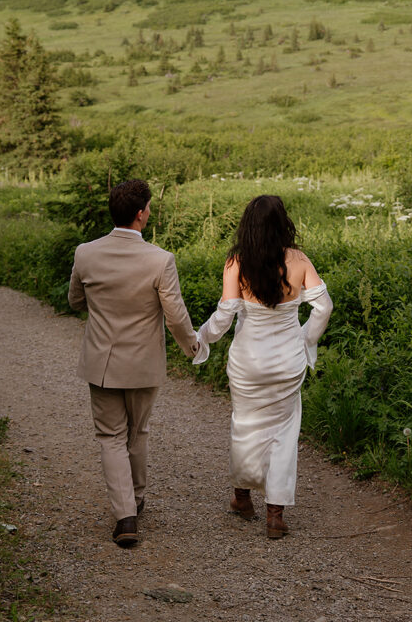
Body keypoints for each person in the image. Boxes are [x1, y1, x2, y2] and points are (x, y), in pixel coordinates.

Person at [68, 178, 199, 547]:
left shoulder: (86, 253)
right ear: (141, 214)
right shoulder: (160, 260)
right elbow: (175, 317)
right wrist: (193, 346)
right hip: (143, 363)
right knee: (136, 432)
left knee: (110, 436)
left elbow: (75, 301)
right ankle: (136, 499)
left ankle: (125, 516)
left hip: (101, 362)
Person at [193, 194, 333, 539]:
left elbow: (225, 314)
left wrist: (201, 337)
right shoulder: (299, 260)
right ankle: (275, 514)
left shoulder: (237, 262)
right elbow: (324, 307)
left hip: (248, 360)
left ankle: (242, 497)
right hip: (287, 360)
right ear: (282, 223)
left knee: (245, 425)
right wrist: (305, 339)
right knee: (284, 434)